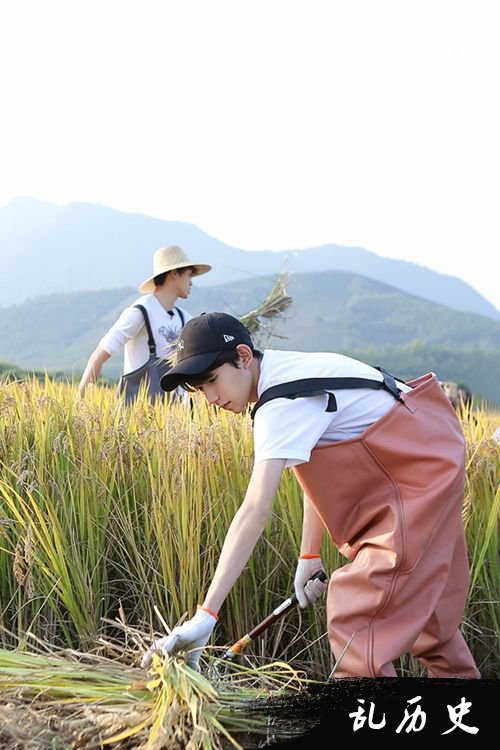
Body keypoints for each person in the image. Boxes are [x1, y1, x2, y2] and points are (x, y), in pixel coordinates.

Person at [141, 312, 480, 679]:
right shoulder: (285, 372)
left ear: (242, 356)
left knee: (357, 617)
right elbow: (316, 465)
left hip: (413, 472)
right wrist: (309, 554)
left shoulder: (279, 402)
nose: (209, 398)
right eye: (198, 389)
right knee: (431, 619)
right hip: (429, 449)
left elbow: (254, 509)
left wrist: (205, 615)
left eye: (211, 381)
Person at [78, 246, 211, 400]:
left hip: (176, 411)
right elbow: (99, 356)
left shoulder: (184, 318)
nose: (191, 283)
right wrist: (80, 405)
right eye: (189, 275)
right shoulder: (141, 312)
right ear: (174, 273)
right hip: (141, 408)